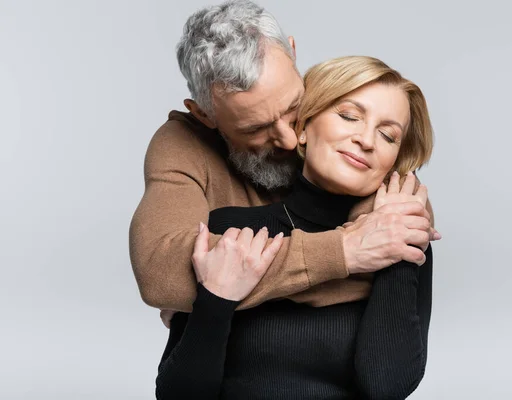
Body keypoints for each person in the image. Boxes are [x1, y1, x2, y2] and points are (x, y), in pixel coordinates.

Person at [129, 0, 440, 325]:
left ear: (292, 51)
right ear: (205, 115)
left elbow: (396, 238)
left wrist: (214, 300)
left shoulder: (340, 121)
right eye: (256, 128)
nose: (290, 139)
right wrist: (346, 252)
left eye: (293, 106)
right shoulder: (182, 143)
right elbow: (161, 273)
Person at [155, 55, 435, 399]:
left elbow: (385, 386)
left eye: (388, 136)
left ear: (395, 159)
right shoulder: (231, 232)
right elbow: (176, 394)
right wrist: (214, 303)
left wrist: (397, 247)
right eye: (349, 116)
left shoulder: (404, 243)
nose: (366, 140)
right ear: (302, 128)